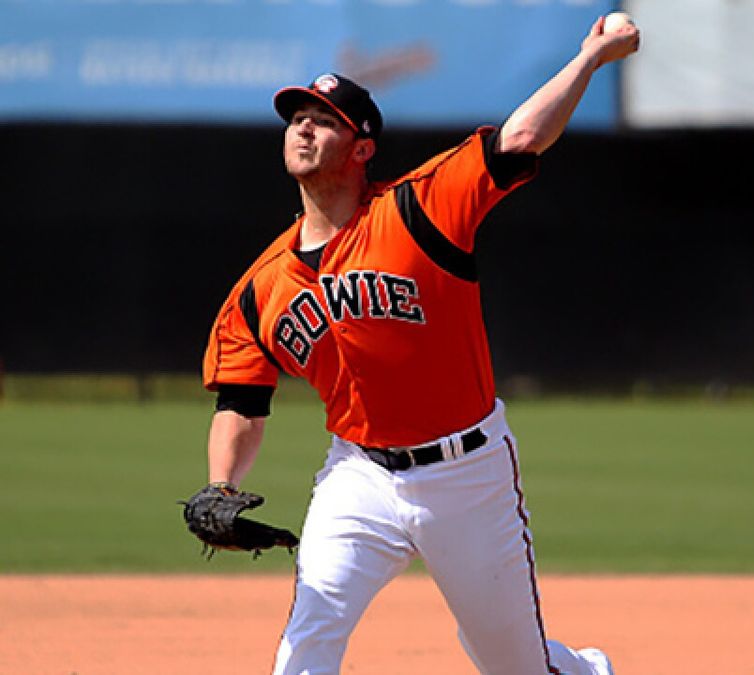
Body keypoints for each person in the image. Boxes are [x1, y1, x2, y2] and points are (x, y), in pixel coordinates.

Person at [196, 16, 639, 675]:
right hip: (359, 476)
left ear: (362, 146)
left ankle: (582, 669)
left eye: (324, 119)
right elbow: (241, 401)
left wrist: (593, 56)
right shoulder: (260, 290)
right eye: (296, 118)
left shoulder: (417, 211)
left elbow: (520, 138)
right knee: (304, 646)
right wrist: (219, 484)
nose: (304, 128)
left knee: (514, 666)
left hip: (466, 474)